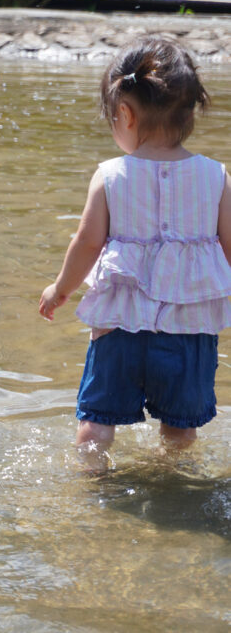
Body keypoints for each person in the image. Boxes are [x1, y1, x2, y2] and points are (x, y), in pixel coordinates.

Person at [39, 37, 231, 468]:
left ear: (124, 114)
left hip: (119, 330)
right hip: (190, 330)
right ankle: (171, 481)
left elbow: (87, 243)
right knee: (181, 426)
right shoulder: (216, 178)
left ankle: (92, 484)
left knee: (96, 421)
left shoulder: (110, 176)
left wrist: (60, 289)